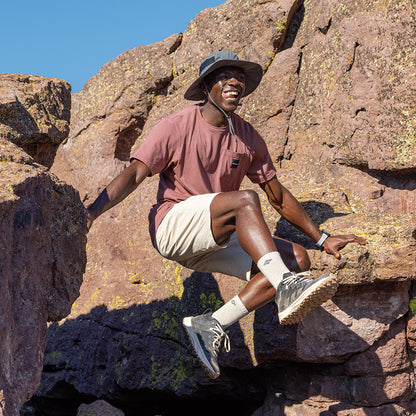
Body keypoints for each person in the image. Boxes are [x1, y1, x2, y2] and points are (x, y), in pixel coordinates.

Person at [86, 50, 367, 379]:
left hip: (214, 237)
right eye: (225, 77)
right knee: (245, 201)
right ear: (206, 87)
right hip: (173, 226)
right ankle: (286, 286)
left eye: (240, 79)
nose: (235, 82)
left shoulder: (247, 138)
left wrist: (321, 238)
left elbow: (276, 196)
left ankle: (212, 324)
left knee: (297, 260)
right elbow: (135, 173)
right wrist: (91, 213)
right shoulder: (176, 126)